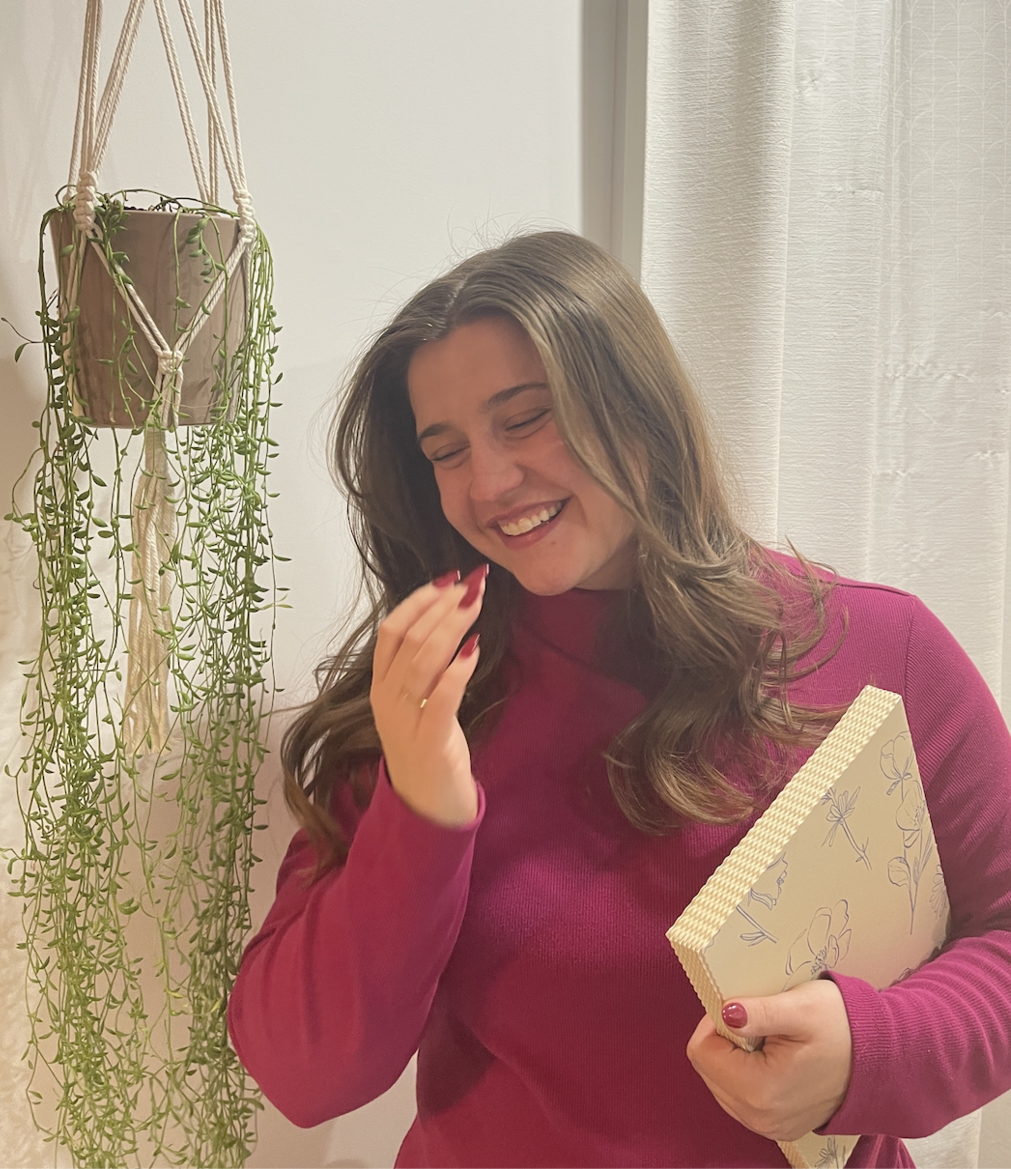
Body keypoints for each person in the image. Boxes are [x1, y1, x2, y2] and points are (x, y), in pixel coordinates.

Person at [227, 231, 1011, 1168]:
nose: (488, 482)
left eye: (526, 419)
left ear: (635, 403)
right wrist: (422, 806)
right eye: (446, 450)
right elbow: (304, 1072)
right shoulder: (423, 697)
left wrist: (871, 1049)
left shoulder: (876, 649)